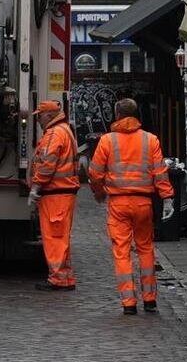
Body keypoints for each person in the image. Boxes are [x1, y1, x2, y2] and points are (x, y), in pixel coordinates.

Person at [88, 98, 174, 315]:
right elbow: (160, 173)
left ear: (117, 115)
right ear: (136, 115)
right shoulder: (150, 140)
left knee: (122, 252)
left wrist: (99, 192)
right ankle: (150, 299)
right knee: (145, 249)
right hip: (143, 203)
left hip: (118, 204)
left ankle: (129, 303)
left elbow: (95, 173)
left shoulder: (107, 141)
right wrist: (168, 198)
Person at [28, 100, 80, 291]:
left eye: (39, 115)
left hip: (55, 194)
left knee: (54, 238)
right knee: (61, 237)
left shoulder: (54, 133)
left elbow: (47, 163)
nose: (38, 119)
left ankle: (58, 279)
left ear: (49, 115)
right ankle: (64, 278)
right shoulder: (64, 130)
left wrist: (36, 186)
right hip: (62, 193)